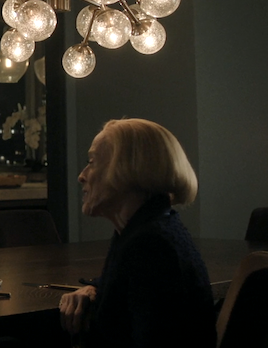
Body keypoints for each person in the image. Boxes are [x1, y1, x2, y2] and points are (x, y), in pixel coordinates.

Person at [58, 118, 216, 348]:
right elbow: (131, 287)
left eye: (92, 162)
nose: (82, 175)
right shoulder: (149, 228)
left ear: (126, 170)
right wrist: (95, 288)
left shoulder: (150, 246)